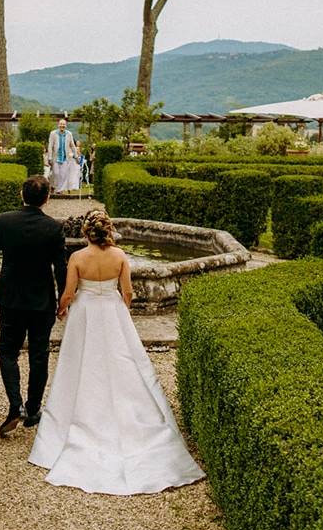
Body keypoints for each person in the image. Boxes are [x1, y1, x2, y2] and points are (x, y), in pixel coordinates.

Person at [28, 211, 205, 495]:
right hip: (112, 309)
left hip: (85, 313)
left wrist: (62, 309)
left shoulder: (77, 258)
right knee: (123, 362)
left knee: (80, 362)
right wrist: (122, 311)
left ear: (86, 232)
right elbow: (128, 291)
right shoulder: (120, 256)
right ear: (108, 231)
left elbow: (69, 293)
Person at [0, 174, 69, 438]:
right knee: (39, 354)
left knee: (8, 352)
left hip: (11, 298)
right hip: (42, 300)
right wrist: (63, 300)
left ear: (21, 195)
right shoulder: (54, 228)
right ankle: (32, 410)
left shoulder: (4, 221)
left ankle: (15, 405)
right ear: (47, 199)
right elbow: (61, 268)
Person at [45, 118, 81, 195]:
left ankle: (59, 190)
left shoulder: (69, 134)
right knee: (55, 173)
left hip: (65, 158)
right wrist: (50, 158)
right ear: (58, 125)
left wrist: (76, 157)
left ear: (66, 126)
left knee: (64, 175)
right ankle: (52, 186)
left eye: (63, 124)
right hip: (55, 158)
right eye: (61, 124)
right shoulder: (53, 133)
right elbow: (50, 146)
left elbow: (72, 145)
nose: (62, 125)